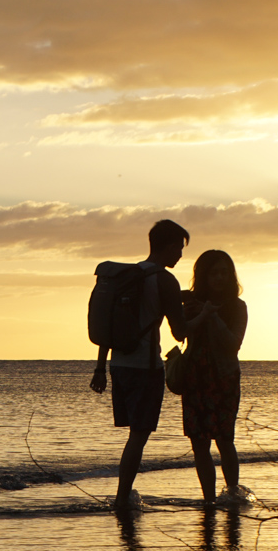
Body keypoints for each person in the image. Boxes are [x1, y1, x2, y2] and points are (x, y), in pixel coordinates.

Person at [90, 219, 201, 510]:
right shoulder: (164, 280)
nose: (180, 255)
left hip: (119, 365)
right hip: (146, 368)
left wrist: (100, 368)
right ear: (166, 246)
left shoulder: (130, 276)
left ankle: (123, 496)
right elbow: (180, 332)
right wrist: (205, 314)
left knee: (134, 436)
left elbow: (113, 326)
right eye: (178, 248)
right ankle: (121, 498)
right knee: (138, 437)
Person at [180, 249, 250, 505]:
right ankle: (208, 500)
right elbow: (180, 334)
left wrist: (212, 316)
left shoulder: (237, 307)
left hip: (224, 377)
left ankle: (232, 494)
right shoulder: (191, 304)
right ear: (203, 276)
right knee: (199, 443)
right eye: (213, 273)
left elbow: (233, 344)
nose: (219, 278)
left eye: (224, 272)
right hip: (195, 377)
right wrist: (197, 313)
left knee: (224, 439)